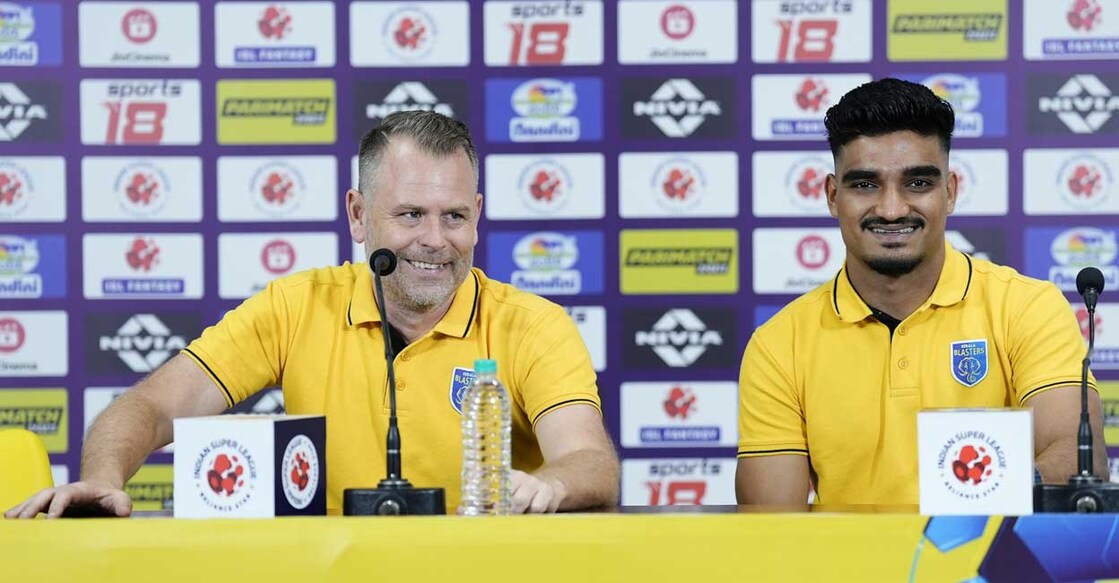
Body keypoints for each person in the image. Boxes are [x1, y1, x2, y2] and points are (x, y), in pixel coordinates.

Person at [6, 111, 619, 518]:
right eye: (409, 215)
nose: (436, 239)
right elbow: (152, 405)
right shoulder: (297, 306)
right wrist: (104, 480)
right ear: (357, 215)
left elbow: (590, 459)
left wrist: (552, 486)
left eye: (454, 216)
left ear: (477, 215)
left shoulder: (531, 323)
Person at [736, 78, 1108, 506]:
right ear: (833, 196)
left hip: (985, 571)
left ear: (948, 192)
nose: (892, 209)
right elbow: (770, 523)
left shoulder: (1025, 307)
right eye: (864, 185)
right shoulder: (780, 344)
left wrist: (950, 532)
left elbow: (1081, 461)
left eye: (917, 183)